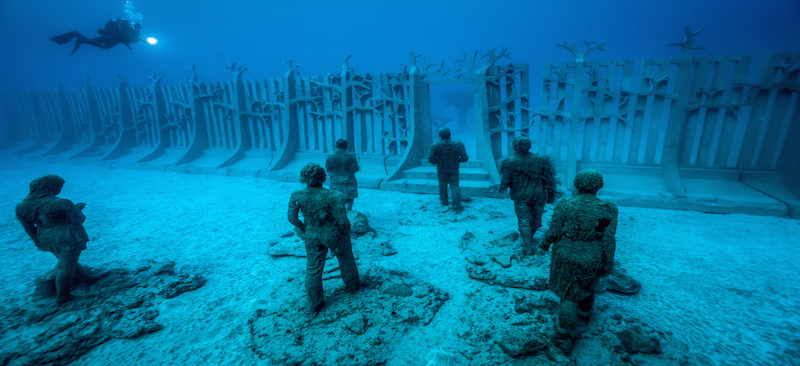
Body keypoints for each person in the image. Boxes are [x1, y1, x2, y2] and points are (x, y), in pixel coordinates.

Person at [539, 169, 618, 350]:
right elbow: (608, 239)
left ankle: (564, 335)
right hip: (592, 254)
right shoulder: (609, 209)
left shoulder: (565, 204)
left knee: (568, 295)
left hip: (565, 253)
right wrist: (608, 263)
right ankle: (585, 313)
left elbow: (554, 230)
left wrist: (544, 244)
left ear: (577, 184)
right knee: (588, 286)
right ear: (599, 185)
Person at [15, 174, 108, 304]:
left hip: (46, 237)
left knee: (68, 261)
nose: (60, 189)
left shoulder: (21, 207)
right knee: (66, 266)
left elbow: (29, 227)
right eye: (60, 186)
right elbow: (78, 220)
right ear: (51, 186)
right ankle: (63, 296)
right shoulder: (61, 203)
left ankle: (88, 278)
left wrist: (37, 241)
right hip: (67, 236)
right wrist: (78, 209)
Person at [288, 163, 360, 313]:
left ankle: (314, 302)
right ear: (323, 177)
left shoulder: (297, 196)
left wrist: (305, 229)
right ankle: (352, 286)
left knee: (313, 268)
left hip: (312, 235)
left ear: (303, 178)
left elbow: (292, 219)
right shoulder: (335, 196)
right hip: (334, 235)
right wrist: (347, 233)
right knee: (346, 260)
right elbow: (343, 221)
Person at [498, 136, 557, 255]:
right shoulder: (541, 160)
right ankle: (529, 238)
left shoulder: (509, 162)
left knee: (523, 220)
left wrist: (501, 188)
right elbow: (549, 180)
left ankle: (528, 246)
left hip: (520, 196)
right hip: (538, 195)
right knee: (536, 219)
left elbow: (506, 181)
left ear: (515, 147)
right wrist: (551, 195)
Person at [51, 18, 142, 55]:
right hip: (109, 36)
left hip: (115, 41)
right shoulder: (123, 25)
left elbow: (132, 41)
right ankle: (77, 34)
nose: (135, 28)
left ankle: (81, 38)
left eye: (137, 27)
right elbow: (119, 31)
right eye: (135, 25)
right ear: (132, 23)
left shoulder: (136, 33)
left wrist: (140, 39)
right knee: (89, 42)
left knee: (105, 47)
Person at [428, 127, 469, 209]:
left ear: (440, 135)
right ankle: (456, 203)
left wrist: (438, 161)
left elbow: (431, 159)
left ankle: (444, 202)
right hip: (454, 169)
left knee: (442, 185)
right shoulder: (458, 145)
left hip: (441, 169)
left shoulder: (435, 146)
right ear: (450, 134)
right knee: (455, 186)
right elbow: (465, 158)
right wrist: (457, 160)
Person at [325, 139, 359, 212]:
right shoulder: (351, 155)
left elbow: (328, 169)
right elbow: (355, 168)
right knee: (349, 199)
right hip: (348, 180)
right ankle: (347, 214)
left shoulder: (330, 155)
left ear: (336, 145)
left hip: (335, 181)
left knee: (336, 199)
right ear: (346, 146)